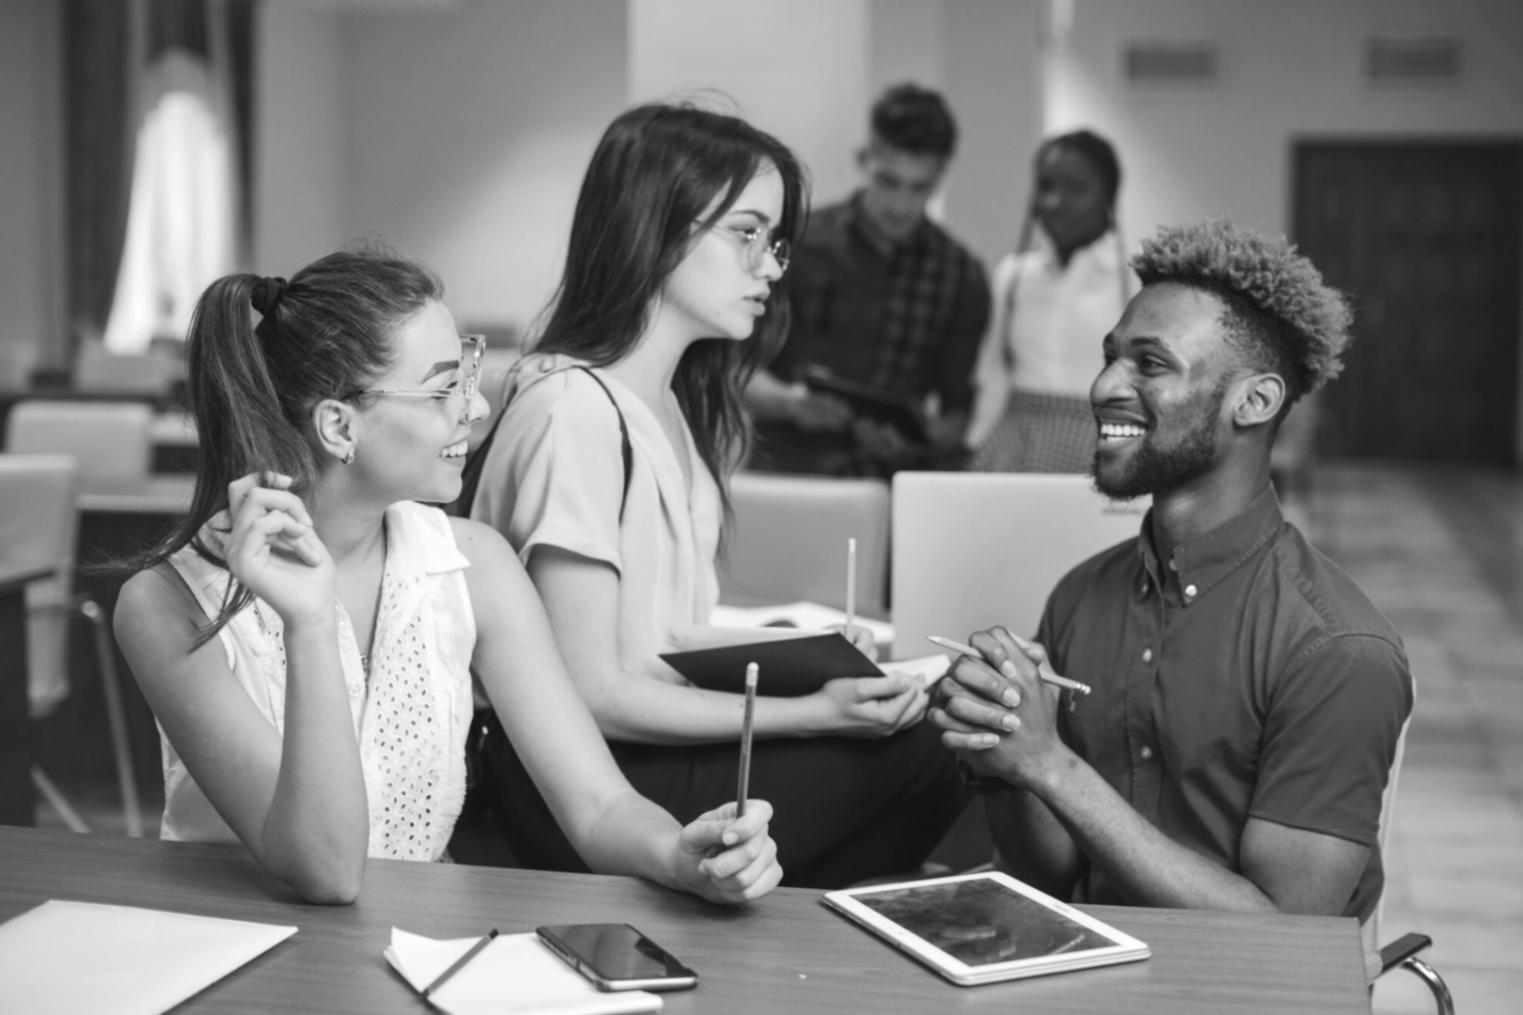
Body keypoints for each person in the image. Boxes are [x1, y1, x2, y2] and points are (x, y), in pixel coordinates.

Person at [112, 249, 782, 906]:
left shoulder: (473, 565)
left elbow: (599, 804)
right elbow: (326, 870)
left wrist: (678, 853)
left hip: (415, 949)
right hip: (243, 959)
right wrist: (311, 622)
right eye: (442, 390)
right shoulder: (165, 605)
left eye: (468, 376)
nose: (477, 409)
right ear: (338, 425)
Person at [469, 102, 967, 889]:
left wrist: (809, 665)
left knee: (940, 727)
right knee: (932, 748)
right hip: (575, 782)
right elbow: (593, 691)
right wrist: (814, 709)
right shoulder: (572, 412)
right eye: (745, 233)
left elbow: (654, 637)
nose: (770, 265)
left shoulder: (666, 406)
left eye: (774, 242)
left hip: (642, 748)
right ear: (654, 225)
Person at [931, 221, 1412, 933]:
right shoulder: (1081, 595)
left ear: (1252, 401)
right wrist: (1006, 747)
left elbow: (1288, 934)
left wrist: (1051, 763)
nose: (1101, 388)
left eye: (1149, 364)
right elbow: (1050, 871)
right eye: (1109, 358)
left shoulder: (1335, 646)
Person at [744, 83, 990, 477]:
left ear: (942, 174)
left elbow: (956, 417)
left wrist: (916, 440)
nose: (901, 205)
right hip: (790, 476)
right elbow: (736, 373)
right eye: (889, 181)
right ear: (864, 160)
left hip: (892, 490)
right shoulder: (799, 244)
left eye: (919, 187)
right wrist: (790, 403)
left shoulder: (960, 276)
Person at [968, 129, 1137, 472]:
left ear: (1109, 196)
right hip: (1016, 444)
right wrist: (973, 443)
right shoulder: (1014, 275)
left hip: (1107, 441)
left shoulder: (1136, 278)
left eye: (1076, 188)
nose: (1055, 202)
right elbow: (994, 375)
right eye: (1045, 187)